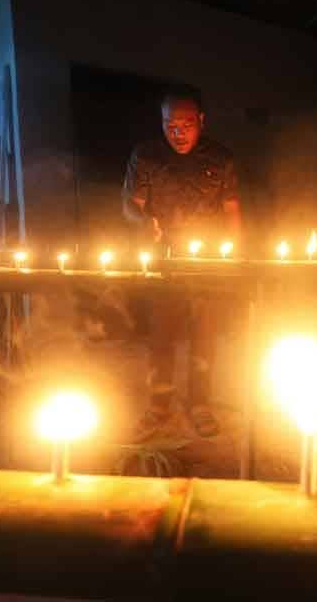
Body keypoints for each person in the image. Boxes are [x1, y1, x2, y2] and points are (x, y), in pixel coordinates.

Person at [122, 87, 241, 441]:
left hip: (207, 265)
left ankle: (200, 405)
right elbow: (130, 204)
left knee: (205, 336)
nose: (177, 133)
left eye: (186, 125)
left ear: (201, 121)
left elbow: (233, 211)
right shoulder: (146, 155)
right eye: (169, 125)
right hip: (165, 262)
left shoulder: (220, 159)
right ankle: (159, 406)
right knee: (162, 337)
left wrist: (234, 256)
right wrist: (145, 223)